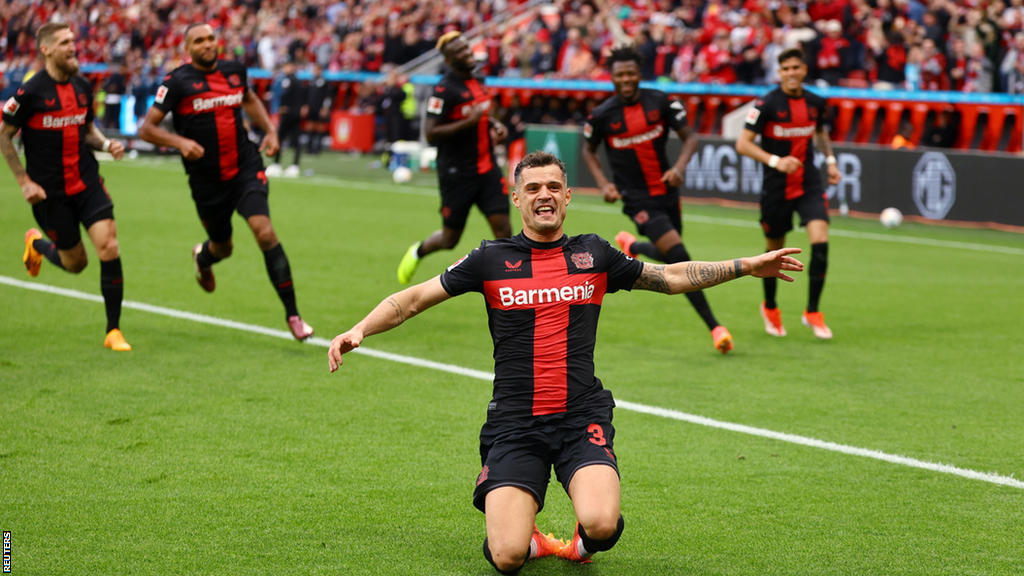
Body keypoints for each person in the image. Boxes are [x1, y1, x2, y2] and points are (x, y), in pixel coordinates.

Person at [327, 151, 804, 574]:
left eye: (553, 186)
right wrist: (359, 329)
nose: (544, 195)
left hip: (580, 415)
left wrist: (747, 265)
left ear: (568, 196)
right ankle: (531, 538)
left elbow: (671, 277)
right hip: (515, 422)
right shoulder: (490, 258)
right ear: (516, 199)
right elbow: (412, 299)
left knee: (601, 525)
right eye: (532, 188)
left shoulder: (593, 254)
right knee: (507, 556)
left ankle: (579, 544)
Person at [138, 23, 313, 341]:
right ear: (187, 49)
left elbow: (249, 100)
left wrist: (271, 132)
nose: (207, 44)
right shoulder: (177, 82)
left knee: (265, 233)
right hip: (207, 181)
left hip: (244, 168)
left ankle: (294, 316)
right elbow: (146, 129)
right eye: (199, 40)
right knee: (224, 247)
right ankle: (203, 257)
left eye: (210, 38)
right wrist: (180, 143)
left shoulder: (234, 71)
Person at [582, 45, 734, 354]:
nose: (625, 79)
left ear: (639, 74)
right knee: (679, 256)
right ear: (612, 77)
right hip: (636, 199)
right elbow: (588, 149)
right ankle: (716, 327)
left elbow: (690, 137)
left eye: (630, 74)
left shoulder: (661, 101)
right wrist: (604, 184)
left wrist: (679, 168)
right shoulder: (601, 115)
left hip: (666, 190)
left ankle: (634, 247)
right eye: (619, 74)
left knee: (671, 252)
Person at [1, 22, 131, 351]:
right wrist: (24, 181)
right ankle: (38, 245)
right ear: (45, 49)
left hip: (87, 183)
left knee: (109, 248)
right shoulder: (28, 93)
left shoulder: (84, 86)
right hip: (49, 193)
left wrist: (106, 145)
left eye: (73, 41)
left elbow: (88, 130)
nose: (73, 47)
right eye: (64, 43)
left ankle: (113, 331)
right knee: (76, 263)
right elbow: (3, 135)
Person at [735, 47, 842, 340]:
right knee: (773, 253)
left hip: (808, 182)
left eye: (796, 67)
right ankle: (770, 307)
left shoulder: (816, 102)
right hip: (776, 187)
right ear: (779, 72)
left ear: (804, 70)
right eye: (786, 69)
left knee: (820, 243)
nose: (792, 73)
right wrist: (775, 161)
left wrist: (831, 162)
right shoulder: (767, 103)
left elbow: (820, 133)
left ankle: (813, 312)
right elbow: (742, 144)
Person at [396, 31, 511, 286]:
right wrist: (465, 123)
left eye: (466, 48)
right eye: (459, 52)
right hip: (457, 174)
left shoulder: (478, 79)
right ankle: (418, 251)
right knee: (450, 239)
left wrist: (493, 125)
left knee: (503, 228)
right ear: (449, 60)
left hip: (488, 167)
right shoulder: (443, 90)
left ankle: (509, 286)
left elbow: (481, 113)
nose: (467, 54)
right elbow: (431, 133)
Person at [265, 59, 306, 177]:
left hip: (288, 113)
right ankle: (295, 165)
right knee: (296, 139)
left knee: (280, 138)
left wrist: (283, 106)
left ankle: (276, 164)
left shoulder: (287, 80)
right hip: (296, 113)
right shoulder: (299, 81)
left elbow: (285, 95)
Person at [305, 62, 331, 154]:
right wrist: (306, 105)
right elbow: (307, 95)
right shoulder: (311, 81)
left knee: (319, 126)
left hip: (320, 107)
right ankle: (309, 146)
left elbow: (328, 97)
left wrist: (325, 108)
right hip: (311, 107)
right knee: (310, 125)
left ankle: (318, 147)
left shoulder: (324, 82)